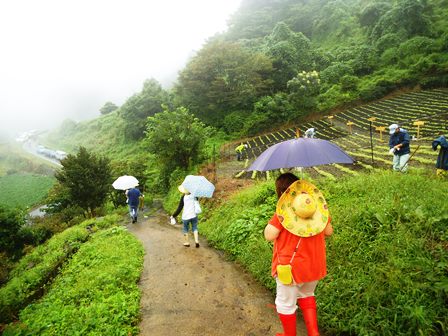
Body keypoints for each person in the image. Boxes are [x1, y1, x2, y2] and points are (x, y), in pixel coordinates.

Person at [264, 173, 333, 336]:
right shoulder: (316, 210)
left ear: (282, 194)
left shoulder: (284, 213)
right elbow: (329, 231)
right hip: (314, 267)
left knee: (285, 304)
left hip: (291, 268)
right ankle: (313, 333)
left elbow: (269, 235)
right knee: (307, 294)